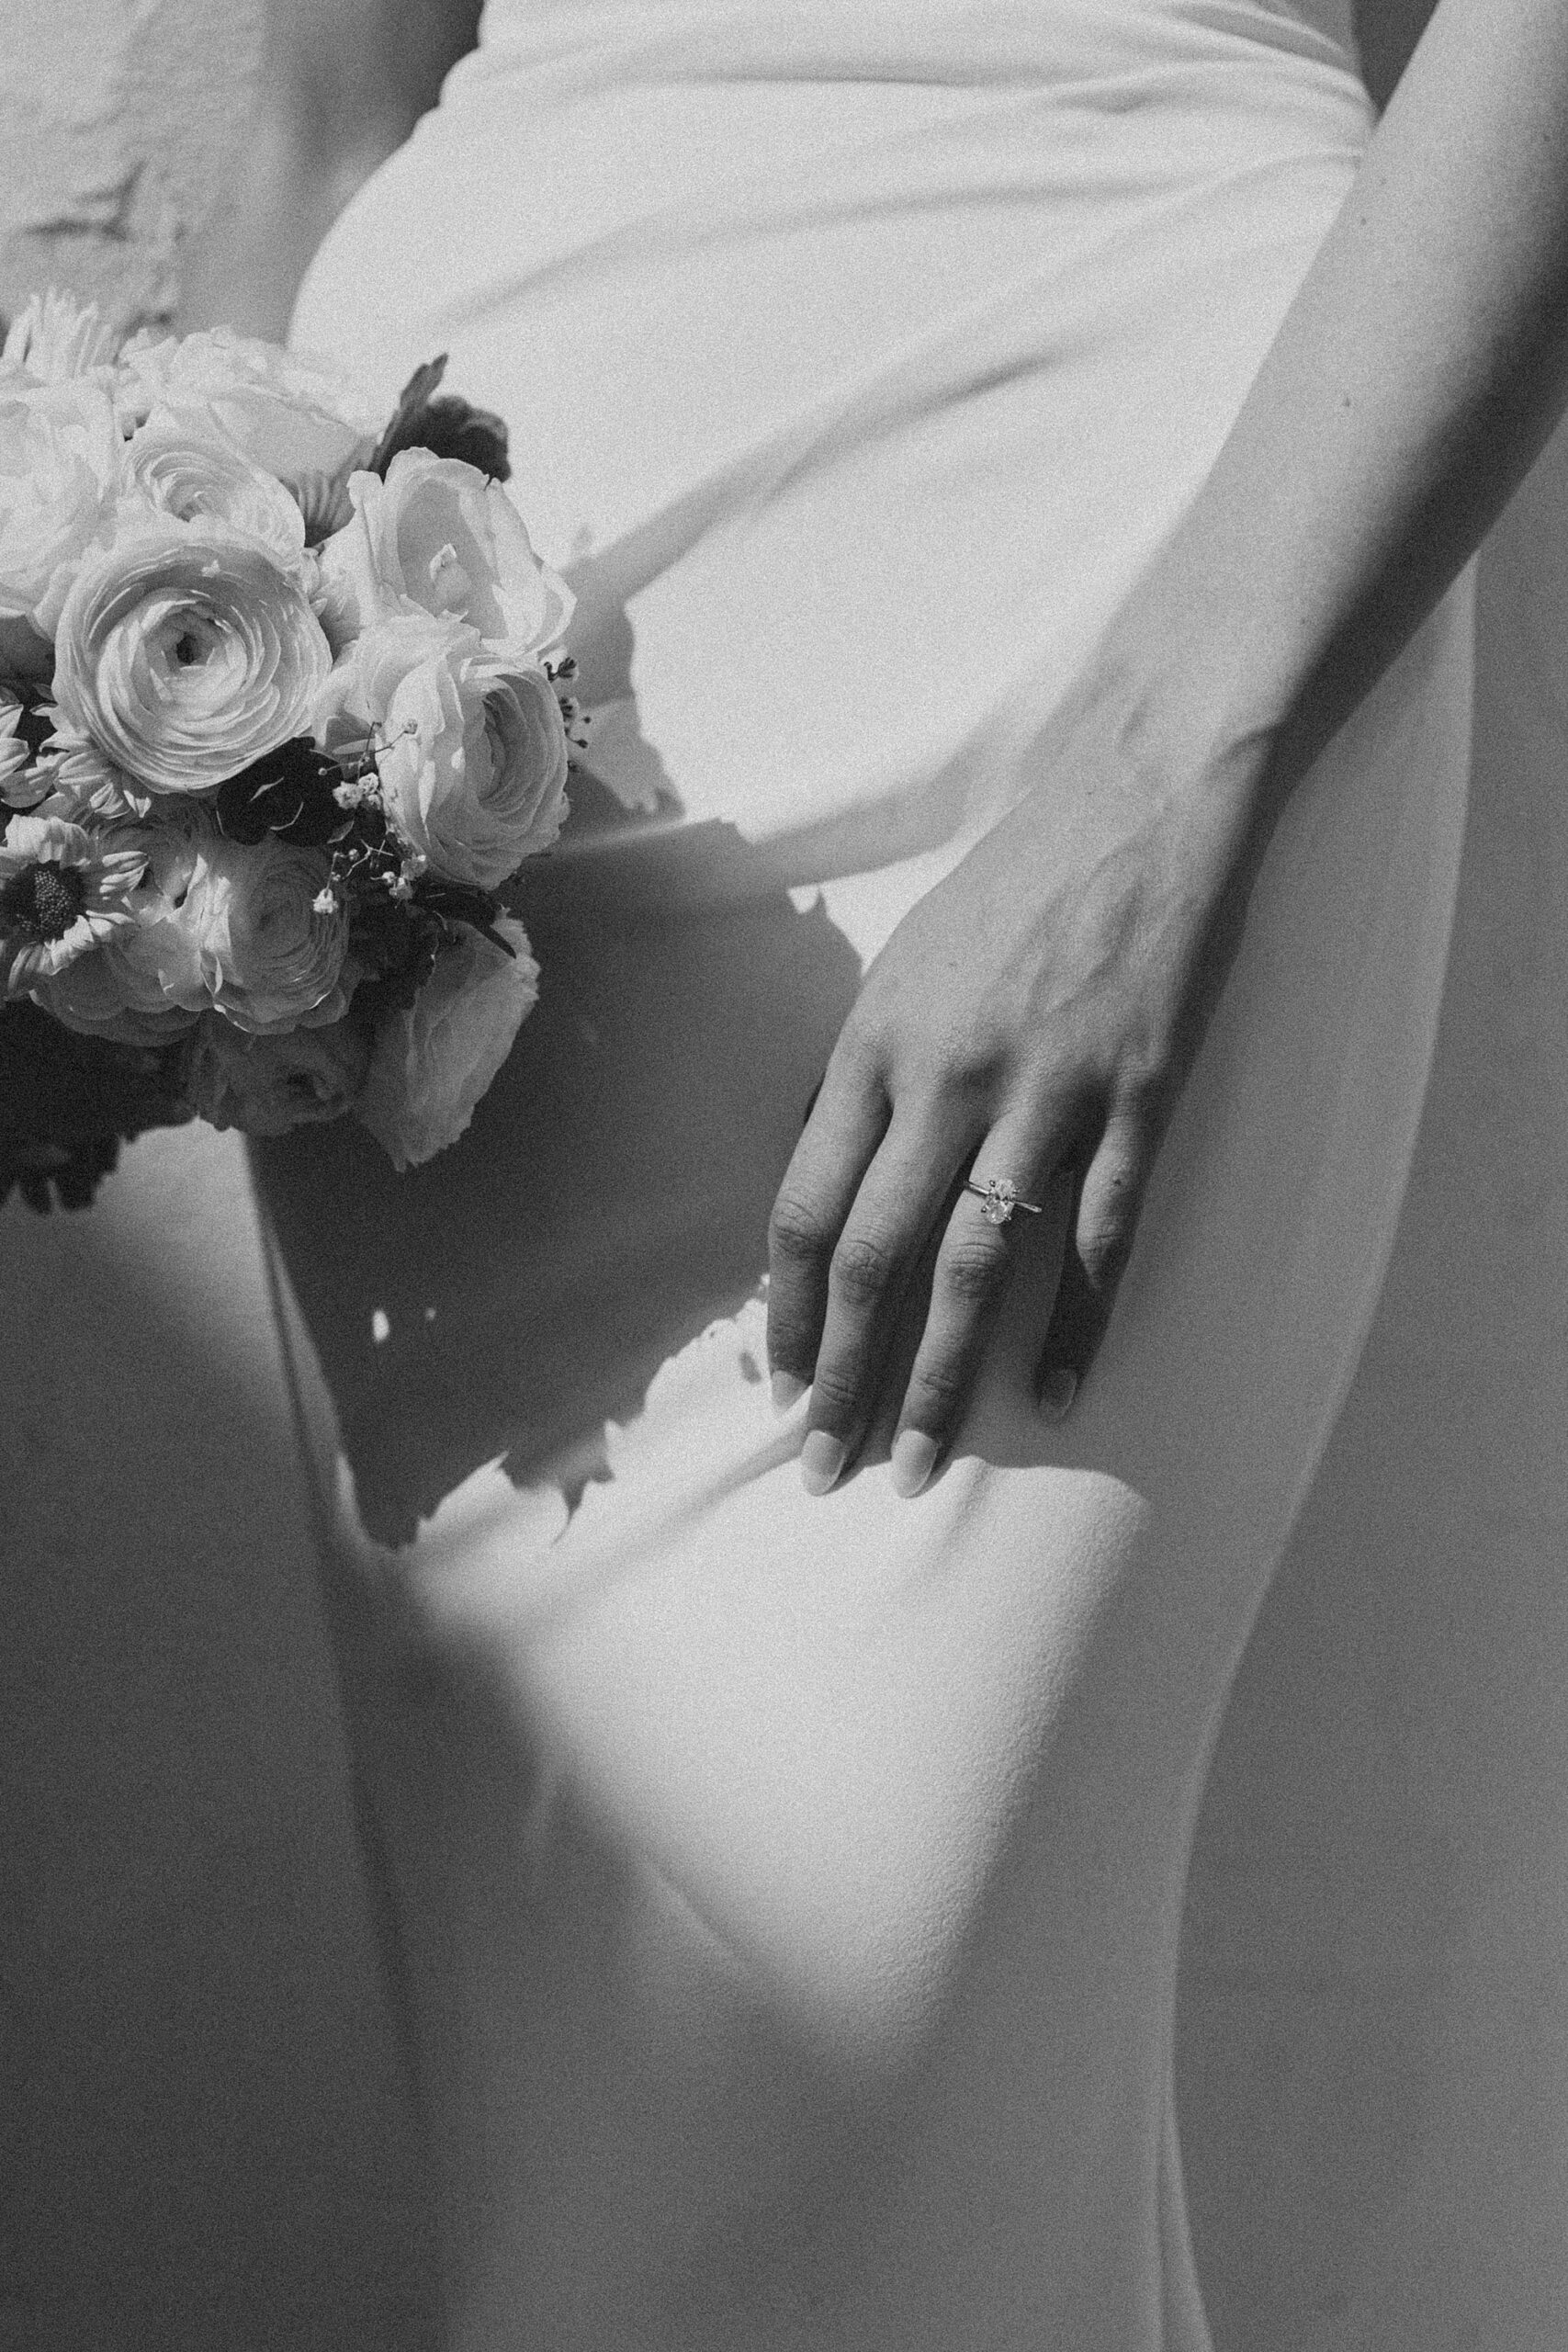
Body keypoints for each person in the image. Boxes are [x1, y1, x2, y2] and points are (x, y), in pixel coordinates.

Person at [251, 1, 1568, 2342]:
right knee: (691, 2135)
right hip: (457, 599)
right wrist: (218, 599)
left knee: (803, 2090)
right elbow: (333, 78)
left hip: (1126, 493)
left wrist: (1178, 753)